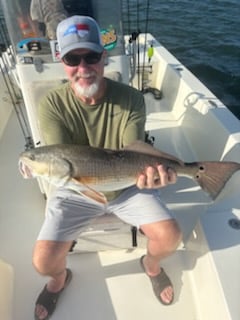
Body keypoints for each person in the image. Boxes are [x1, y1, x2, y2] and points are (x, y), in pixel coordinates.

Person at [33, 15, 182, 320]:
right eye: (73, 58)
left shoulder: (130, 99)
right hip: (75, 188)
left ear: (104, 57)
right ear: (61, 59)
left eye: (91, 56)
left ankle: (151, 266)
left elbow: (132, 153)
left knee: (170, 236)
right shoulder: (51, 104)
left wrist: (155, 174)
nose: (84, 67)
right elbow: (63, 164)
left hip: (126, 185)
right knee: (43, 262)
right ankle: (60, 279)